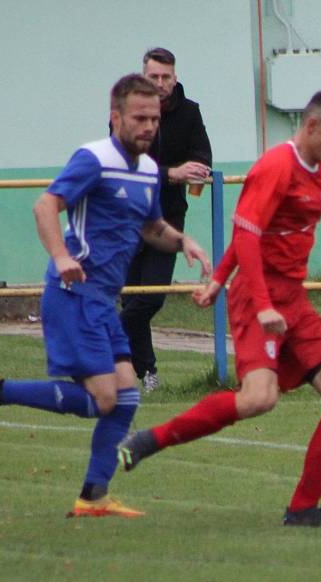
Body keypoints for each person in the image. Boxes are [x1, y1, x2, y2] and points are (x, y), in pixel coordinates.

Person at [0, 74, 212, 518]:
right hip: (75, 292)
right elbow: (45, 206)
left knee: (127, 396)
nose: (149, 127)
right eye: (139, 118)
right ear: (116, 117)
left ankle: (93, 496)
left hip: (102, 299)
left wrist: (182, 240)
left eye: (154, 118)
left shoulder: (149, 169)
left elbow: (150, 226)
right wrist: (59, 256)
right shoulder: (93, 159)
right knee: (106, 400)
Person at [117, 90, 321, 528]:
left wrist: (215, 281)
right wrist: (260, 304)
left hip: (294, 301)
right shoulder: (275, 167)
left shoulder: (317, 174)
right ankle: (150, 440)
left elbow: (253, 230)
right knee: (257, 400)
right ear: (311, 127)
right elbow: (247, 235)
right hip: (259, 299)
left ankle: (303, 510)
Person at [119, 47, 213, 393]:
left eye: (166, 77)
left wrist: (196, 171)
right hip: (128, 214)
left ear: (175, 77)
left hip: (167, 219)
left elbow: (202, 156)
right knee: (132, 298)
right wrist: (171, 173)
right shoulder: (125, 112)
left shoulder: (189, 113)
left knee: (152, 296)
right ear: (143, 77)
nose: (161, 83)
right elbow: (123, 163)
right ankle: (147, 373)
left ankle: (102, 337)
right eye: (154, 77)